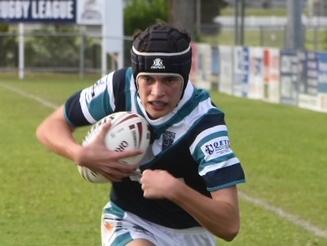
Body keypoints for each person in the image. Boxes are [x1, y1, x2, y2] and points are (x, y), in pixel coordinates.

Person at [36, 23, 245, 246]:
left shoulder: (205, 125)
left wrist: (175, 190)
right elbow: (51, 126)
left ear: (184, 78)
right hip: (130, 221)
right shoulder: (118, 89)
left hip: (192, 234)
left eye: (170, 80)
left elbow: (229, 225)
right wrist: (80, 154)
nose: (157, 92)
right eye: (148, 79)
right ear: (136, 76)